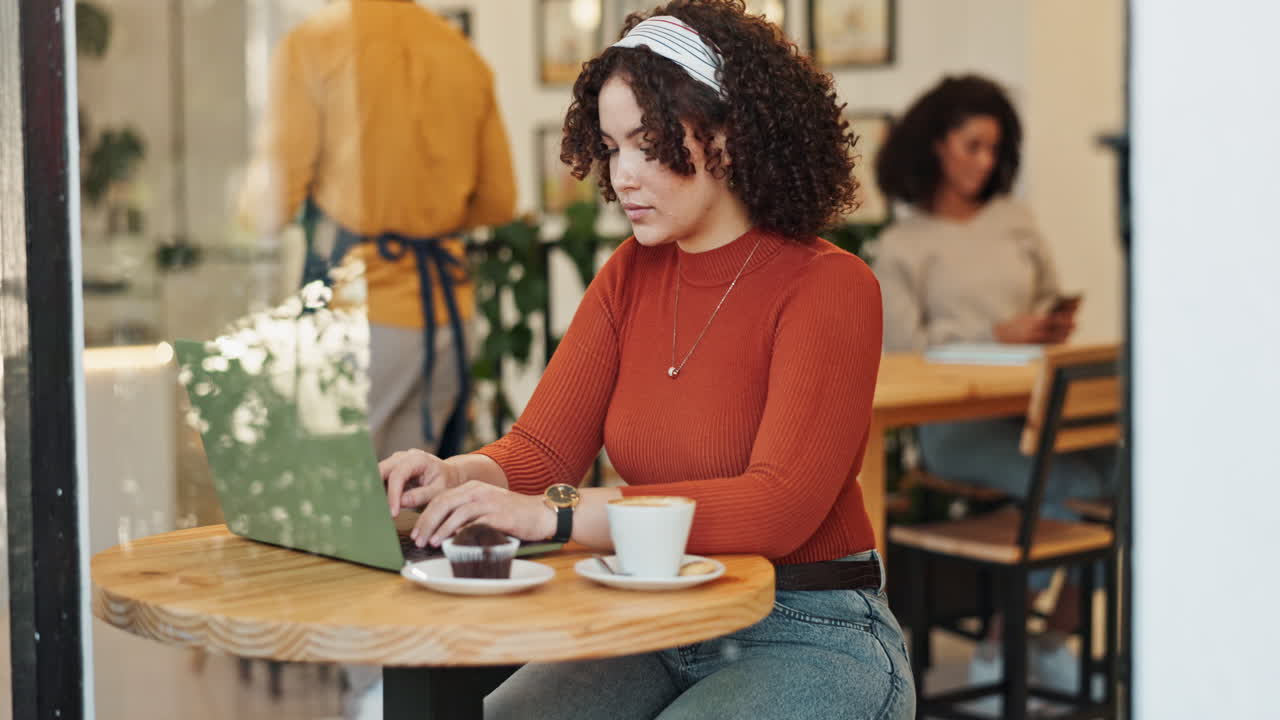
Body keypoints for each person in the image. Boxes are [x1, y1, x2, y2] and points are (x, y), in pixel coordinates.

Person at [377, 1, 914, 717]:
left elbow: (777, 506)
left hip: (810, 629)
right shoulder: (630, 274)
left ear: (728, 132)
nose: (622, 175)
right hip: (659, 616)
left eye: (647, 143)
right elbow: (542, 450)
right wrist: (458, 474)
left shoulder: (832, 286)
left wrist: (559, 517)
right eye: (610, 146)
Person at [239, 2, 516, 716]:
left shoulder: (315, 46)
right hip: (448, 313)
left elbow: (271, 200)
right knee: (415, 505)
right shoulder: (462, 57)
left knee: (342, 513)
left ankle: (369, 687)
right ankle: (413, 678)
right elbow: (499, 198)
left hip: (360, 315)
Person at [872, 74, 1114, 697]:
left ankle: (1054, 637)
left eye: (993, 149)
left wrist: (1049, 323)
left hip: (1028, 407)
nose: (985, 161)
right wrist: (994, 333)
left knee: (1130, 478)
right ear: (936, 146)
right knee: (1070, 485)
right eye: (972, 145)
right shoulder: (901, 246)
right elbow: (901, 351)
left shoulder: (1016, 222)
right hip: (953, 428)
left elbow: (1042, 301)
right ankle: (1001, 647)